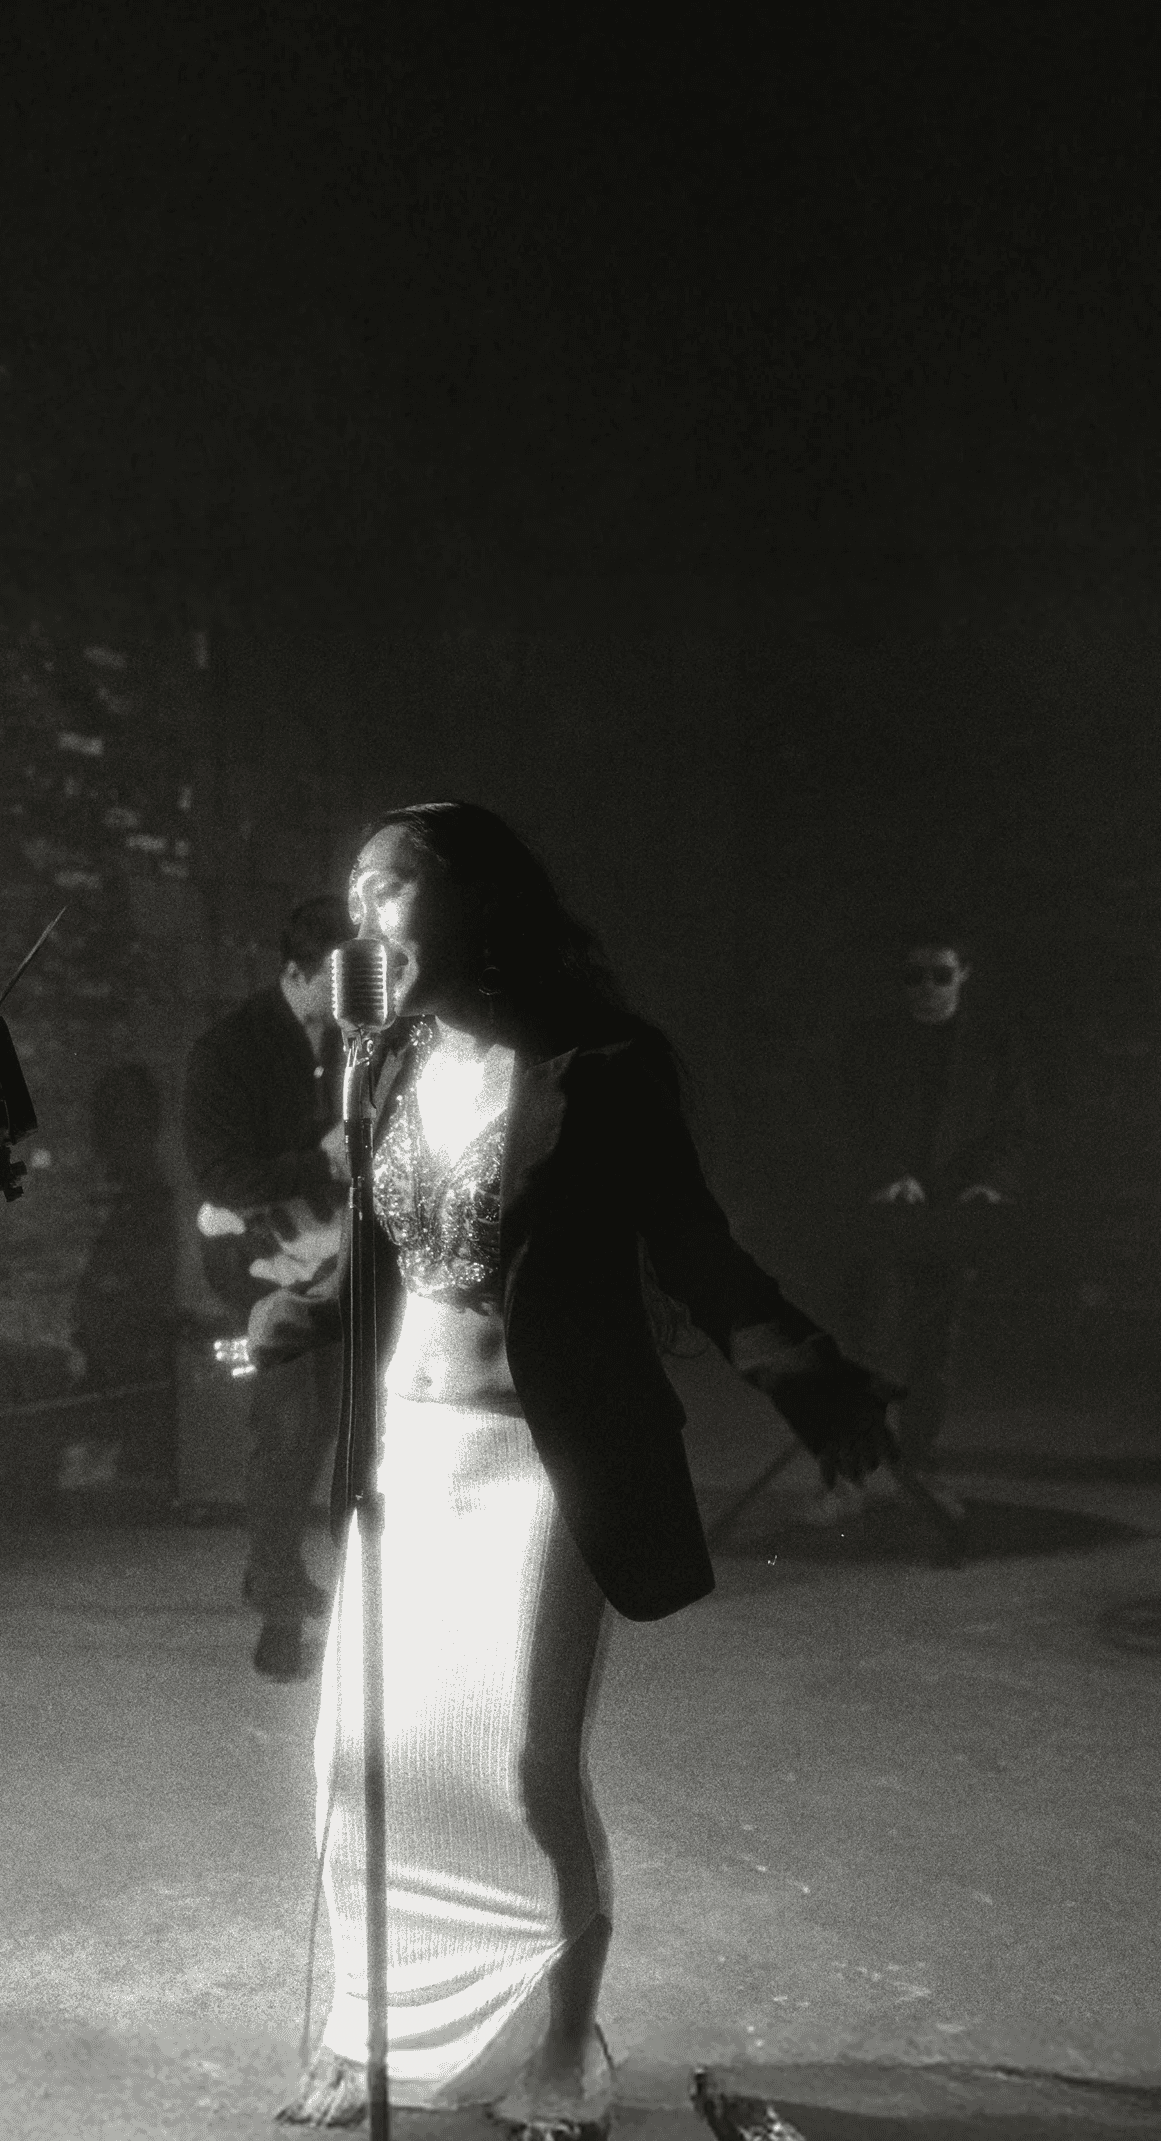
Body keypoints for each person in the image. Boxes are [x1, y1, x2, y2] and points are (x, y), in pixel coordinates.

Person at [242, 803, 897, 2134]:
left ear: (472, 902)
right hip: (405, 1454)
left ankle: (568, 2039)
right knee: (358, 1757)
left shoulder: (604, 1066)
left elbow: (697, 1251)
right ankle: (378, 2030)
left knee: (527, 1764)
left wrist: (819, 1386)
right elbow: (383, 1238)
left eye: (391, 889)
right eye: (353, 894)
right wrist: (297, 1313)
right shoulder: (395, 1056)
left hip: (537, 1463)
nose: (362, 916)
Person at [183, 898, 353, 1678]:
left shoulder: (352, 1037)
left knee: (317, 1421)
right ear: (295, 971)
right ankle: (278, 1612)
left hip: (327, 1250)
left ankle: (272, 1568)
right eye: (337, 978)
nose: (354, 992)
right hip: (250, 1252)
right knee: (289, 1420)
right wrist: (322, 1163)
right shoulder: (229, 1048)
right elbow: (221, 1176)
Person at [839, 933, 1031, 1490]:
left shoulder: (993, 1045)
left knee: (934, 1343)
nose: (925, 988)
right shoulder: (874, 1043)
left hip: (951, 1213)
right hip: (884, 1211)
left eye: (940, 975)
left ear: (964, 974)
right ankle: (857, 1464)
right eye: (914, 976)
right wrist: (883, 1175)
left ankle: (915, 1462)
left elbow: (1013, 1127)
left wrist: (989, 1183)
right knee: (869, 1337)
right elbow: (847, 1120)